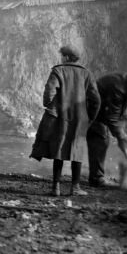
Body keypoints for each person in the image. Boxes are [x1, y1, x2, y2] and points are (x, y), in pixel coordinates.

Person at [30, 46, 100, 196]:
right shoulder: (86, 74)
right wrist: (89, 118)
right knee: (77, 151)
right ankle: (75, 187)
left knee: (59, 150)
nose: (61, 58)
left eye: (62, 56)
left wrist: (51, 106)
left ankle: (56, 188)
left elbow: (49, 92)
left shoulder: (58, 70)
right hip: (80, 118)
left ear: (67, 57)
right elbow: (96, 100)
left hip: (61, 117)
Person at [86, 68, 127, 187]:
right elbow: (112, 117)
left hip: (98, 112)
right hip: (89, 110)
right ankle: (96, 178)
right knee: (101, 139)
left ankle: (97, 175)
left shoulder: (126, 84)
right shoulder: (119, 87)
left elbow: (119, 113)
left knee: (103, 137)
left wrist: (123, 138)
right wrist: (121, 137)